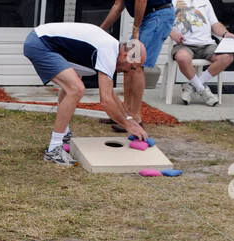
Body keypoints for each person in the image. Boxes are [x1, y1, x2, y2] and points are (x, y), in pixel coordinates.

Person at [22, 21, 147, 164]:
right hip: (40, 43)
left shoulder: (112, 48)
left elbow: (110, 93)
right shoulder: (108, 51)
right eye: (132, 66)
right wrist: (127, 125)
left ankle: (63, 136)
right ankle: (54, 149)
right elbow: (106, 100)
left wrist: (129, 119)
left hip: (44, 41)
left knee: (74, 82)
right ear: (125, 54)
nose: (128, 71)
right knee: (76, 89)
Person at [92, 0, 175, 127]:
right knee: (127, 64)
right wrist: (100, 30)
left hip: (157, 16)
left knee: (135, 64)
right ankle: (124, 115)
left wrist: (136, 29)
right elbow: (118, 4)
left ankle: (135, 118)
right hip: (148, 18)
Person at [169, 0, 234, 106]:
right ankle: (204, 91)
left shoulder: (204, 1)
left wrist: (225, 34)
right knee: (182, 58)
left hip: (207, 45)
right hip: (184, 45)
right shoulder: (172, 1)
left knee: (227, 56)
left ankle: (193, 86)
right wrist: (173, 34)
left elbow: (214, 24)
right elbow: (164, 24)